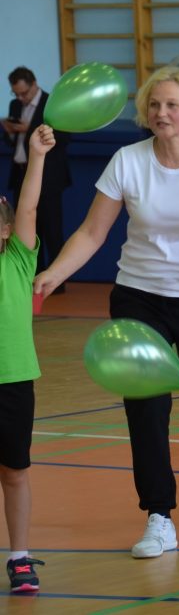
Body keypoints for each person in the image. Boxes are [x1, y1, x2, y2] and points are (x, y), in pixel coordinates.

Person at [33, 65, 179, 557]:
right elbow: (92, 233)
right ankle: (159, 515)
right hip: (139, 295)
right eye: (154, 105)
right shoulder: (127, 161)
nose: (161, 112)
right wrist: (55, 272)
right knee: (146, 410)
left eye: (172, 104)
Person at [1, 125, 54, 592]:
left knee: (14, 471)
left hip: (13, 381)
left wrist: (35, 156)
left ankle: (19, 557)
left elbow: (30, 206)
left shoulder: (17, 261)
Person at [3, 67, 71, 278]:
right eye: (16, 94)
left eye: (24, 93)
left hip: (48, 177)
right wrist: (10, 132)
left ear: (34, 85)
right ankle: (33, 274)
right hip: (21, 173)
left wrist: (30, 130)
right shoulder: (15, 105)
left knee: (52, 230)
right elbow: (13, 143)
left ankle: (55, 279)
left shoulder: (52, 103)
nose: (21, 98)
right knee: (26, 228)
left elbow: (64, 138)